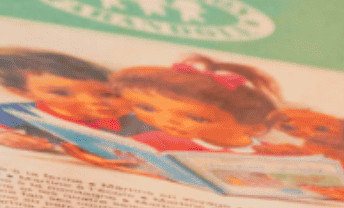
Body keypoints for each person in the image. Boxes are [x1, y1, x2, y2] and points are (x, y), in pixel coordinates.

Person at [0, 47, 152, 152]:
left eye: (107, 94)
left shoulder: (137, 117)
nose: (94, 103)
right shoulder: (28, 114)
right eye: (61, 93)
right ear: (23, 93)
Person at [111, 56, 283, 152]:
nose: (167, 121)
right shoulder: (154, 142)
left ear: (255, 127)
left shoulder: (274, 153)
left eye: (196, 118)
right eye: (147, 108)